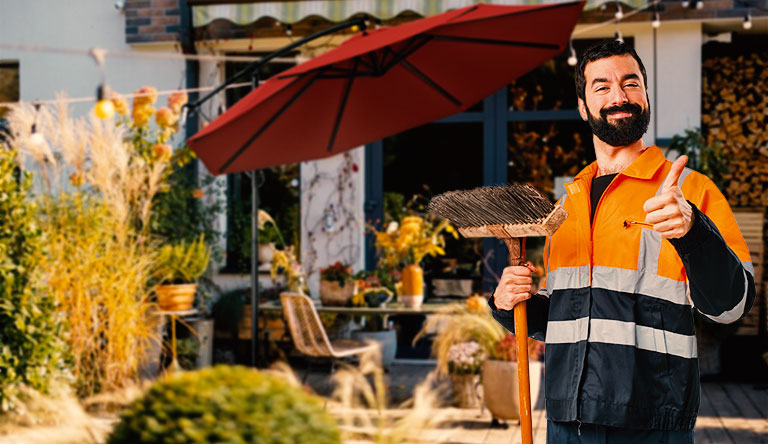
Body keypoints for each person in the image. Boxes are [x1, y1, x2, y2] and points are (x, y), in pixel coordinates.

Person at [489, 40, 755, 443]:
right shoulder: (567, 206)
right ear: (583, 106)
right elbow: (564, 320)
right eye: (602, 86)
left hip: (650, 422)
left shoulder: (689, 192)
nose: (619, 96)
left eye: (631, 83)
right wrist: (513, 304)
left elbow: (731, 307)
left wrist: (692, 232)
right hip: (565, 420)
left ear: (645, 96)